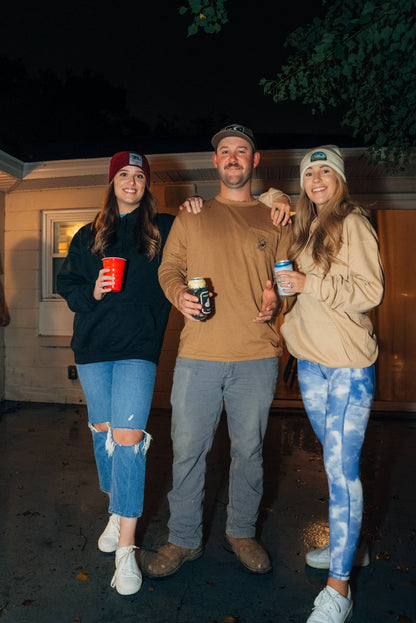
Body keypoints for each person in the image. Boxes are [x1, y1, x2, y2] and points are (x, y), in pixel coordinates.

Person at [140, 123, 293, 579]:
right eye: (224, 151)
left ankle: (242, 532)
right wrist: (177, 296)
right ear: (215, 161)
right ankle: (183, 539)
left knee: (250, 451)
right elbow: (169, 268)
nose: (232, 158)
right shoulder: (193, 214)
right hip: (198, 356)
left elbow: (287, 280)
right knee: (187, 450)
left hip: (256, 355)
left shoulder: (274, 218)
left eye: (241, 151)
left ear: (254, 160)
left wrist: (279, 301)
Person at [56, 151, 202, 596]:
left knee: (128, 439)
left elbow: (206, 231)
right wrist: (93, 291)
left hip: (139, 348)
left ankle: (126, 549)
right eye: (124, 174)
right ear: (112, 181)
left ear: (146, 183)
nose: (131, 182)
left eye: (139, 175)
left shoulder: (165, 228)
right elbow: (67, 283)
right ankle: (117, 509)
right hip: (93, 347)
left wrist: (199, 207)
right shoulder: (89, 234)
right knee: (103, 431)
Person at [261, 145, 384, 623]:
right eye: (308, 172)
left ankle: (339, 587)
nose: (316, 178)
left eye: (324, 171)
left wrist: (312, 285)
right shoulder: (302, 224)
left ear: (339, 179)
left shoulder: (352, 222)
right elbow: (272, 196)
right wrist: (276, 194)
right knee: (333, 466)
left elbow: (370, 292)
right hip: (310, 362)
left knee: (340, 468)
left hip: (349, 365)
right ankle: (348, 547)